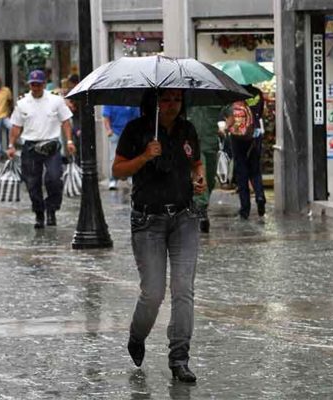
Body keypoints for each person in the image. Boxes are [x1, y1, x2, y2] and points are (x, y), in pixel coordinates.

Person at [112, 89, 206, 382]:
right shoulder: (136, 130)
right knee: (153, 292)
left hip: (184, 218)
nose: (172, 106)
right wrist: (144, 156)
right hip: (147, 221)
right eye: (166, 100)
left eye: (177, 100)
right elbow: (117, 170)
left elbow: (196, 164)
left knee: (183, 290)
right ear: (153, 103)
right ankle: (137, 335)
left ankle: (179, 358)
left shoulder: (187, 129)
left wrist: (199, 178)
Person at [6, 69, 76, 229]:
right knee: (32, 183)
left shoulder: (55, 100)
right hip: (30, 147)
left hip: (51, 145)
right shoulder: (22, 103)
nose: (35, 87)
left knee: (54, 179)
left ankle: (51, 209)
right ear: (29, 85)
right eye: (33, 85)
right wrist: (11, 145)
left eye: (38, 84)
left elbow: (65, 121)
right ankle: (39, 212)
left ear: (44, 84)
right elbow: (16, 126)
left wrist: (69, 141)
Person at [224, 84, 266, 219]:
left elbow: (228, 115)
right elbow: (260, 113)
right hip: (255, 135)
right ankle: (259, 196)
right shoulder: (258, 93)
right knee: (255, 170)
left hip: (238, 138)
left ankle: (245, 210)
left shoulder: (235, 94)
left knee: (242, 172)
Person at [187, 105, 223, 233]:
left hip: (211, 143)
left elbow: (229, 115)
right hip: (193, 144)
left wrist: (225, 127)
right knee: (200, 175)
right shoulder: (187, 96)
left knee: (210, 179)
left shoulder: (213, 98)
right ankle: (201, 210)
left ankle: (201, 205)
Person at [102, 105, 140, 189]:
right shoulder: (110, 102)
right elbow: (106, 116)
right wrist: (109, 130)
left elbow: (137, 117)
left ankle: (130, 177)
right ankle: (113, 180)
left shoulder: (130, 102)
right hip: (115, 132)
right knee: (113, 157)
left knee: (131, 156)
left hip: (129, 133)